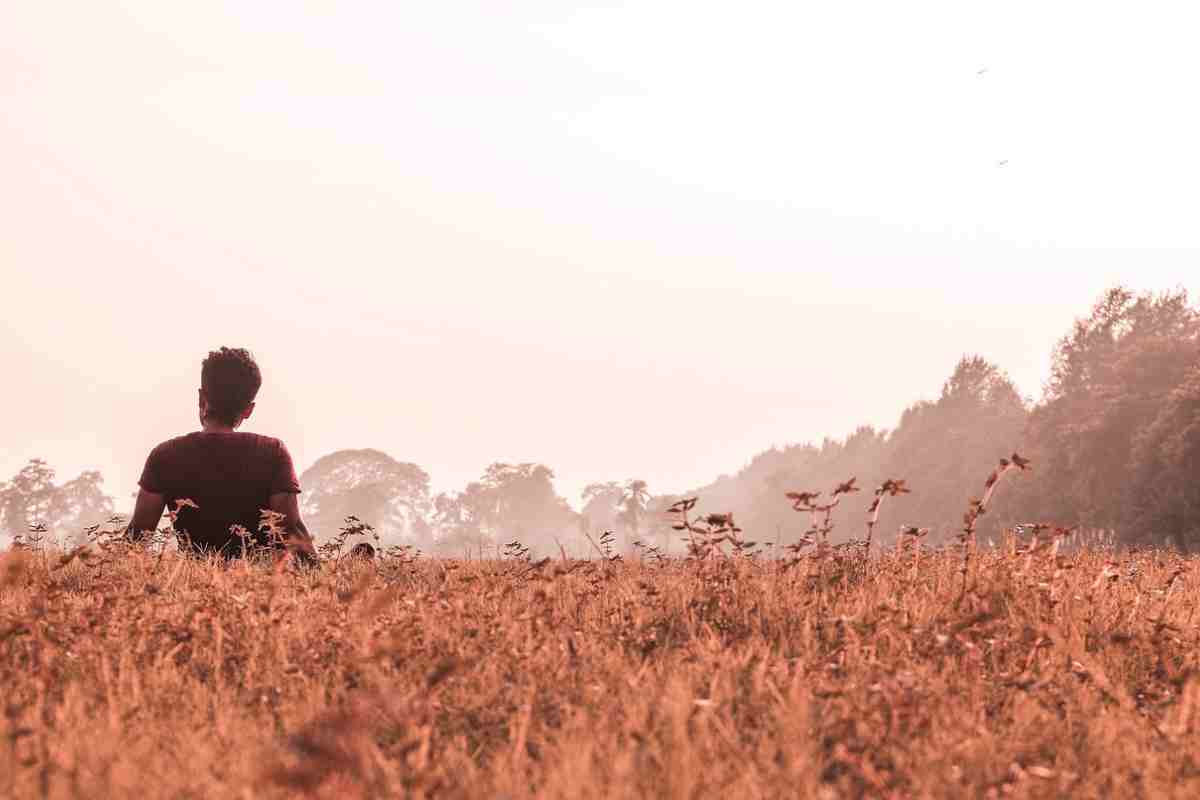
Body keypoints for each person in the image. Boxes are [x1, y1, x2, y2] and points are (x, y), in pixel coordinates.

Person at [125, 347, 316, 564]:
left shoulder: (164, 456)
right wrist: (323, 582)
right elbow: (292, 530)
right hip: (258, 587)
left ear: (201, 398)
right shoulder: (273, 452)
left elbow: (138, 536)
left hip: (195, 587)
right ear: (248, 410)